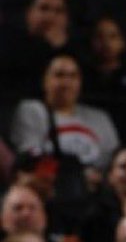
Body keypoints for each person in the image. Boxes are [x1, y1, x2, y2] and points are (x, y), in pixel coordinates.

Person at [10, 53, 120, 182]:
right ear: (45, 80)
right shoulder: (32, 110)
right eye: (59, 75)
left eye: (73, 76)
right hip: (50, 187)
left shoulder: (100, 118)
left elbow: (113, 162)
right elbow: (30, 161)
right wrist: (72, 176)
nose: (66, 83)